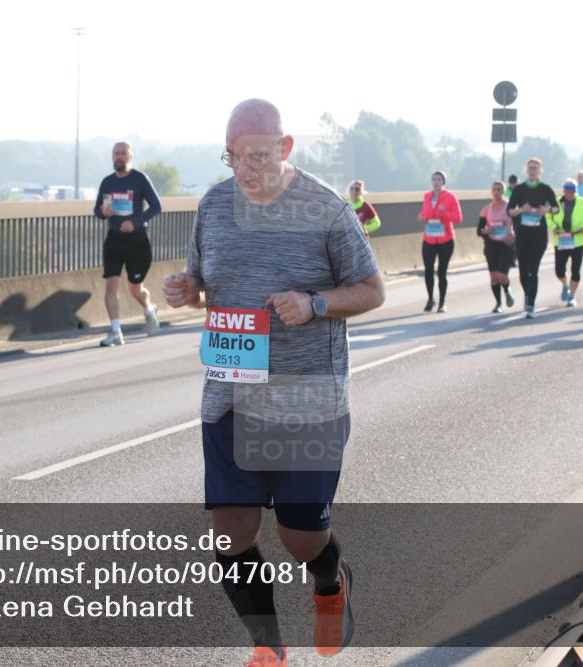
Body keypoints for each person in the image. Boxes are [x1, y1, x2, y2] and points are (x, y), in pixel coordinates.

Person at [162, 99, 385, 666]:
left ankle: (331, 581)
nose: (245, 168)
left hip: (308, 395)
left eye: (257, 155)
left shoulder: (326, 209)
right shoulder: (213, 206)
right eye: (233, 156)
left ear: (284, 149)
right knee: (230, 534)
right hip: (230, 395)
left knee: (299, 537)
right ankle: (269, 648)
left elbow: (371, 289)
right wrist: (190, 291)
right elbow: (209, 285)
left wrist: (314, 304)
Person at [94, 142, 162, 347]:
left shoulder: (139, 179)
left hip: (137, 240)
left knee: (135, 288)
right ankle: (116, 331)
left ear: (130, 157)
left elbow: (156, 206)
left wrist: (135, 223)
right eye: (116, 153)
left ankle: (149, 309)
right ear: (112, 157)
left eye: (124, 153)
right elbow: (99, 209)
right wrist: (102, 212)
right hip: (114, 238)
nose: (120, 157)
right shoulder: (108, 183)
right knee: (111, 285)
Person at [508, 158, 559, 318]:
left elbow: (556, 208)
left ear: (540, 171)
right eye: (530, 167)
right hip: (522, 234)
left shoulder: (545, 189)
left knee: (533, 270)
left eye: (535, 168)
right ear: (526, 170)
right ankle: (528, 295)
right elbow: (510, 211)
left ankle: (531, 305)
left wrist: (547, 210)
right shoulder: (519, 190)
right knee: (523, 271)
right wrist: (522, 209)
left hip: (539, 235)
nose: (532, 170)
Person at [417, 171, 463, 313]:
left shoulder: (450, 197)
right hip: (429, 238)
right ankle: (431, 299)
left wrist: (444, 212)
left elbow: (458, 218)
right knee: (428, 271)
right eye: (434, 179)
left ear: (443, 182)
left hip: (446, 240)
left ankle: (442, 303)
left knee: (442, 272)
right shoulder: (427, 196)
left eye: (438, 179)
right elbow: (424, 213)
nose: (436, 182)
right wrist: (422, 217)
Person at [548, 179, 583, 308]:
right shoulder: (557, 202)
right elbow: (548, 217)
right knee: (559, 270)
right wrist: (554, 227)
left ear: (576, 191)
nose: (569, 193)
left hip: (578, 240)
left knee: (575, 270)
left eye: (572, 191)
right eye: (567, 191)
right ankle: (565, 286)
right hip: (561, 240)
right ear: (564, 191)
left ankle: (571, 297)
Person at [477, 181, 516, 313]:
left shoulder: (509, 208)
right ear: (491, 192)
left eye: (499, 190)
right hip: (491, 245)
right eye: (494, 190)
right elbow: (479, 230)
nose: (496, 192)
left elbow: (518, 224)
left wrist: (513, 238)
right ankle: (498, 303)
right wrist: (486, 232)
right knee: (493, 277)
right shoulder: (486, 210)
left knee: (501, 275)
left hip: (505, 245)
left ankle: (507, 289)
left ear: (504, 192)